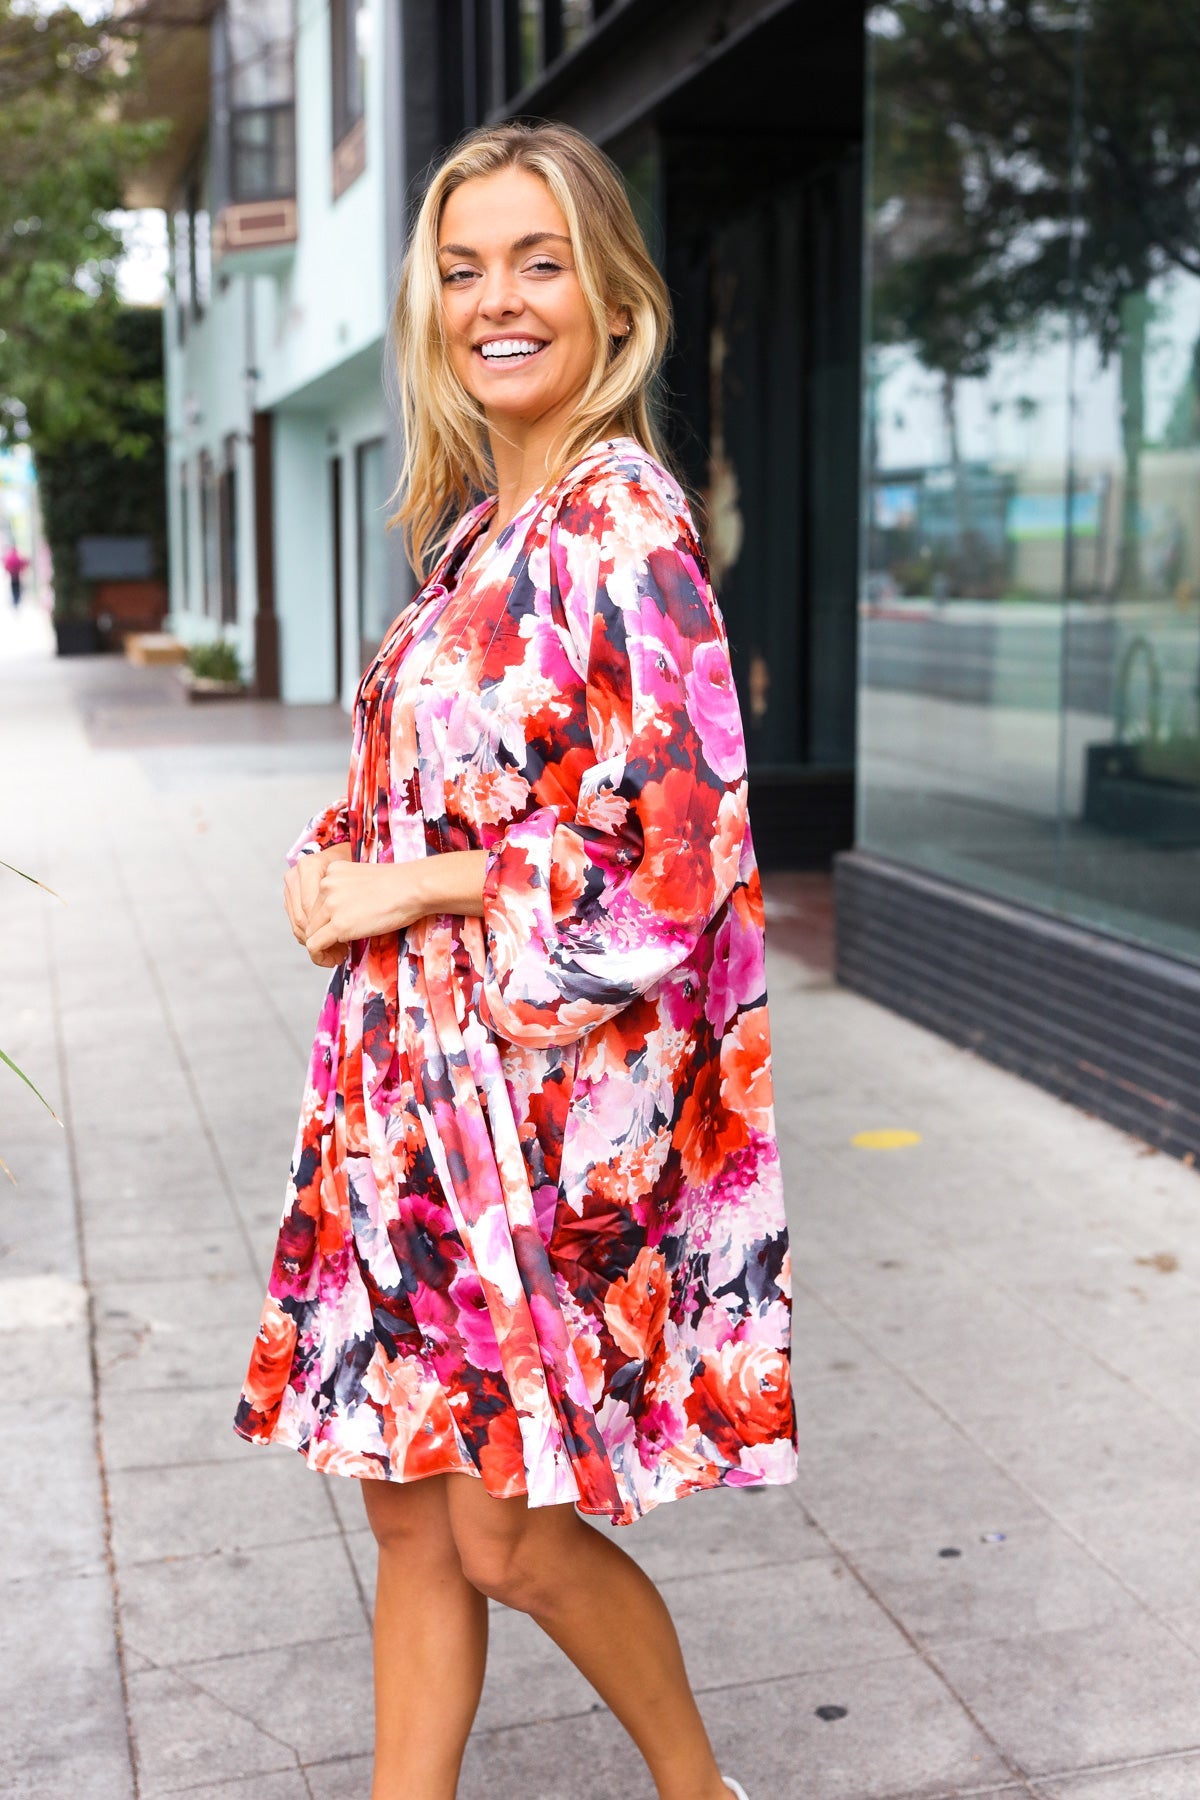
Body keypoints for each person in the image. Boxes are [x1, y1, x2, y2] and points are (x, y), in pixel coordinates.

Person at [234, 120, 797, 1800]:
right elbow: (428, 792)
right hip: (407, 1100)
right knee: (411, 1513)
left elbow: (680, 854)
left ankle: (703, 1793)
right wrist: (333, 866)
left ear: (613, 300)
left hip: (542, 1108)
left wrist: (413, 887)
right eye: (465, 267)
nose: (499, 299)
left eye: (539, 262)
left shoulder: (627, 532)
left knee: (506, 1534)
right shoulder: (484, 533)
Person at [4, 542, 28, 607]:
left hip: (12, 574)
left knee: (13, 587)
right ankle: (17, 600)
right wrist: (22, 571)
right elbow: (22, 563)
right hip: (17, 574)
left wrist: (7, 572)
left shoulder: (10, 556)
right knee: (17, 587)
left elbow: (7, 564)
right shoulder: (17, 555)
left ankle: (15, 600)